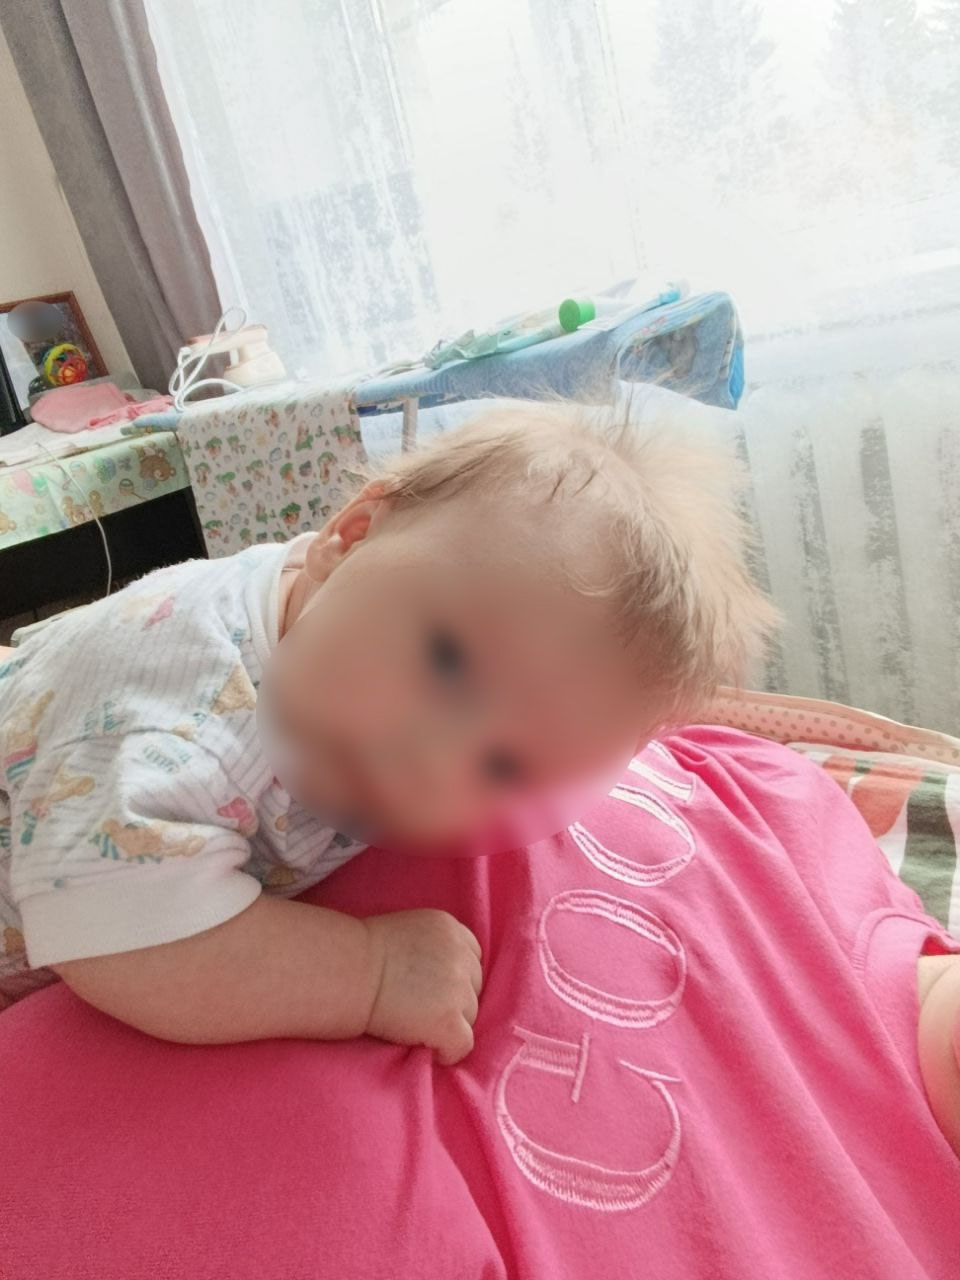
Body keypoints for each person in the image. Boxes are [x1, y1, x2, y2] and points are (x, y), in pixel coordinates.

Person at [0, 399, 771, 1058]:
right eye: (446, 663)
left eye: (503, 765)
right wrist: (367, 973)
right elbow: (128, 943)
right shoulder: (180, 732)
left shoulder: (344, 614)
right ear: (350, 534)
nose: (431, 762)